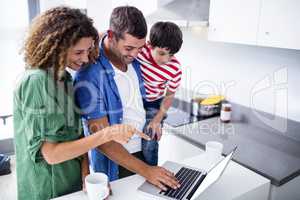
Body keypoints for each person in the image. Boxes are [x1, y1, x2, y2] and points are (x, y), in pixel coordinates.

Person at [13, 6, 149, 200]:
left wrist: (86, 174)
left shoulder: (65, 78)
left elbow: (76, 134)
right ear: (58, 46)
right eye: (78, 52)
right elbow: (51, 155)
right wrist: (108, 133)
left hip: (73, 183)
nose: (85, 58)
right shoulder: (36, 82)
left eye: (88, 50)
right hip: (47, 189)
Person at [74, 6, 180, 191]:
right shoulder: (89, 74)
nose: (135, 54)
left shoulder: (136, 57)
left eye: (140, 48)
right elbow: (101, 137)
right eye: (129, 48)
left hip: (144, 152)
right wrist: (147, 171)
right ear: (112, 36)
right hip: (118, 160)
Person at [137, 21, 183, 166]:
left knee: (150, 141)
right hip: (133, 102)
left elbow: (169, 95)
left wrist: (157, 119)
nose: (165, 60)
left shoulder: (175, 68)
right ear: (150, 45)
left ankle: (151, 171)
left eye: (171, 55)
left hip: (154, 104)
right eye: (162, 53)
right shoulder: (140, 50)